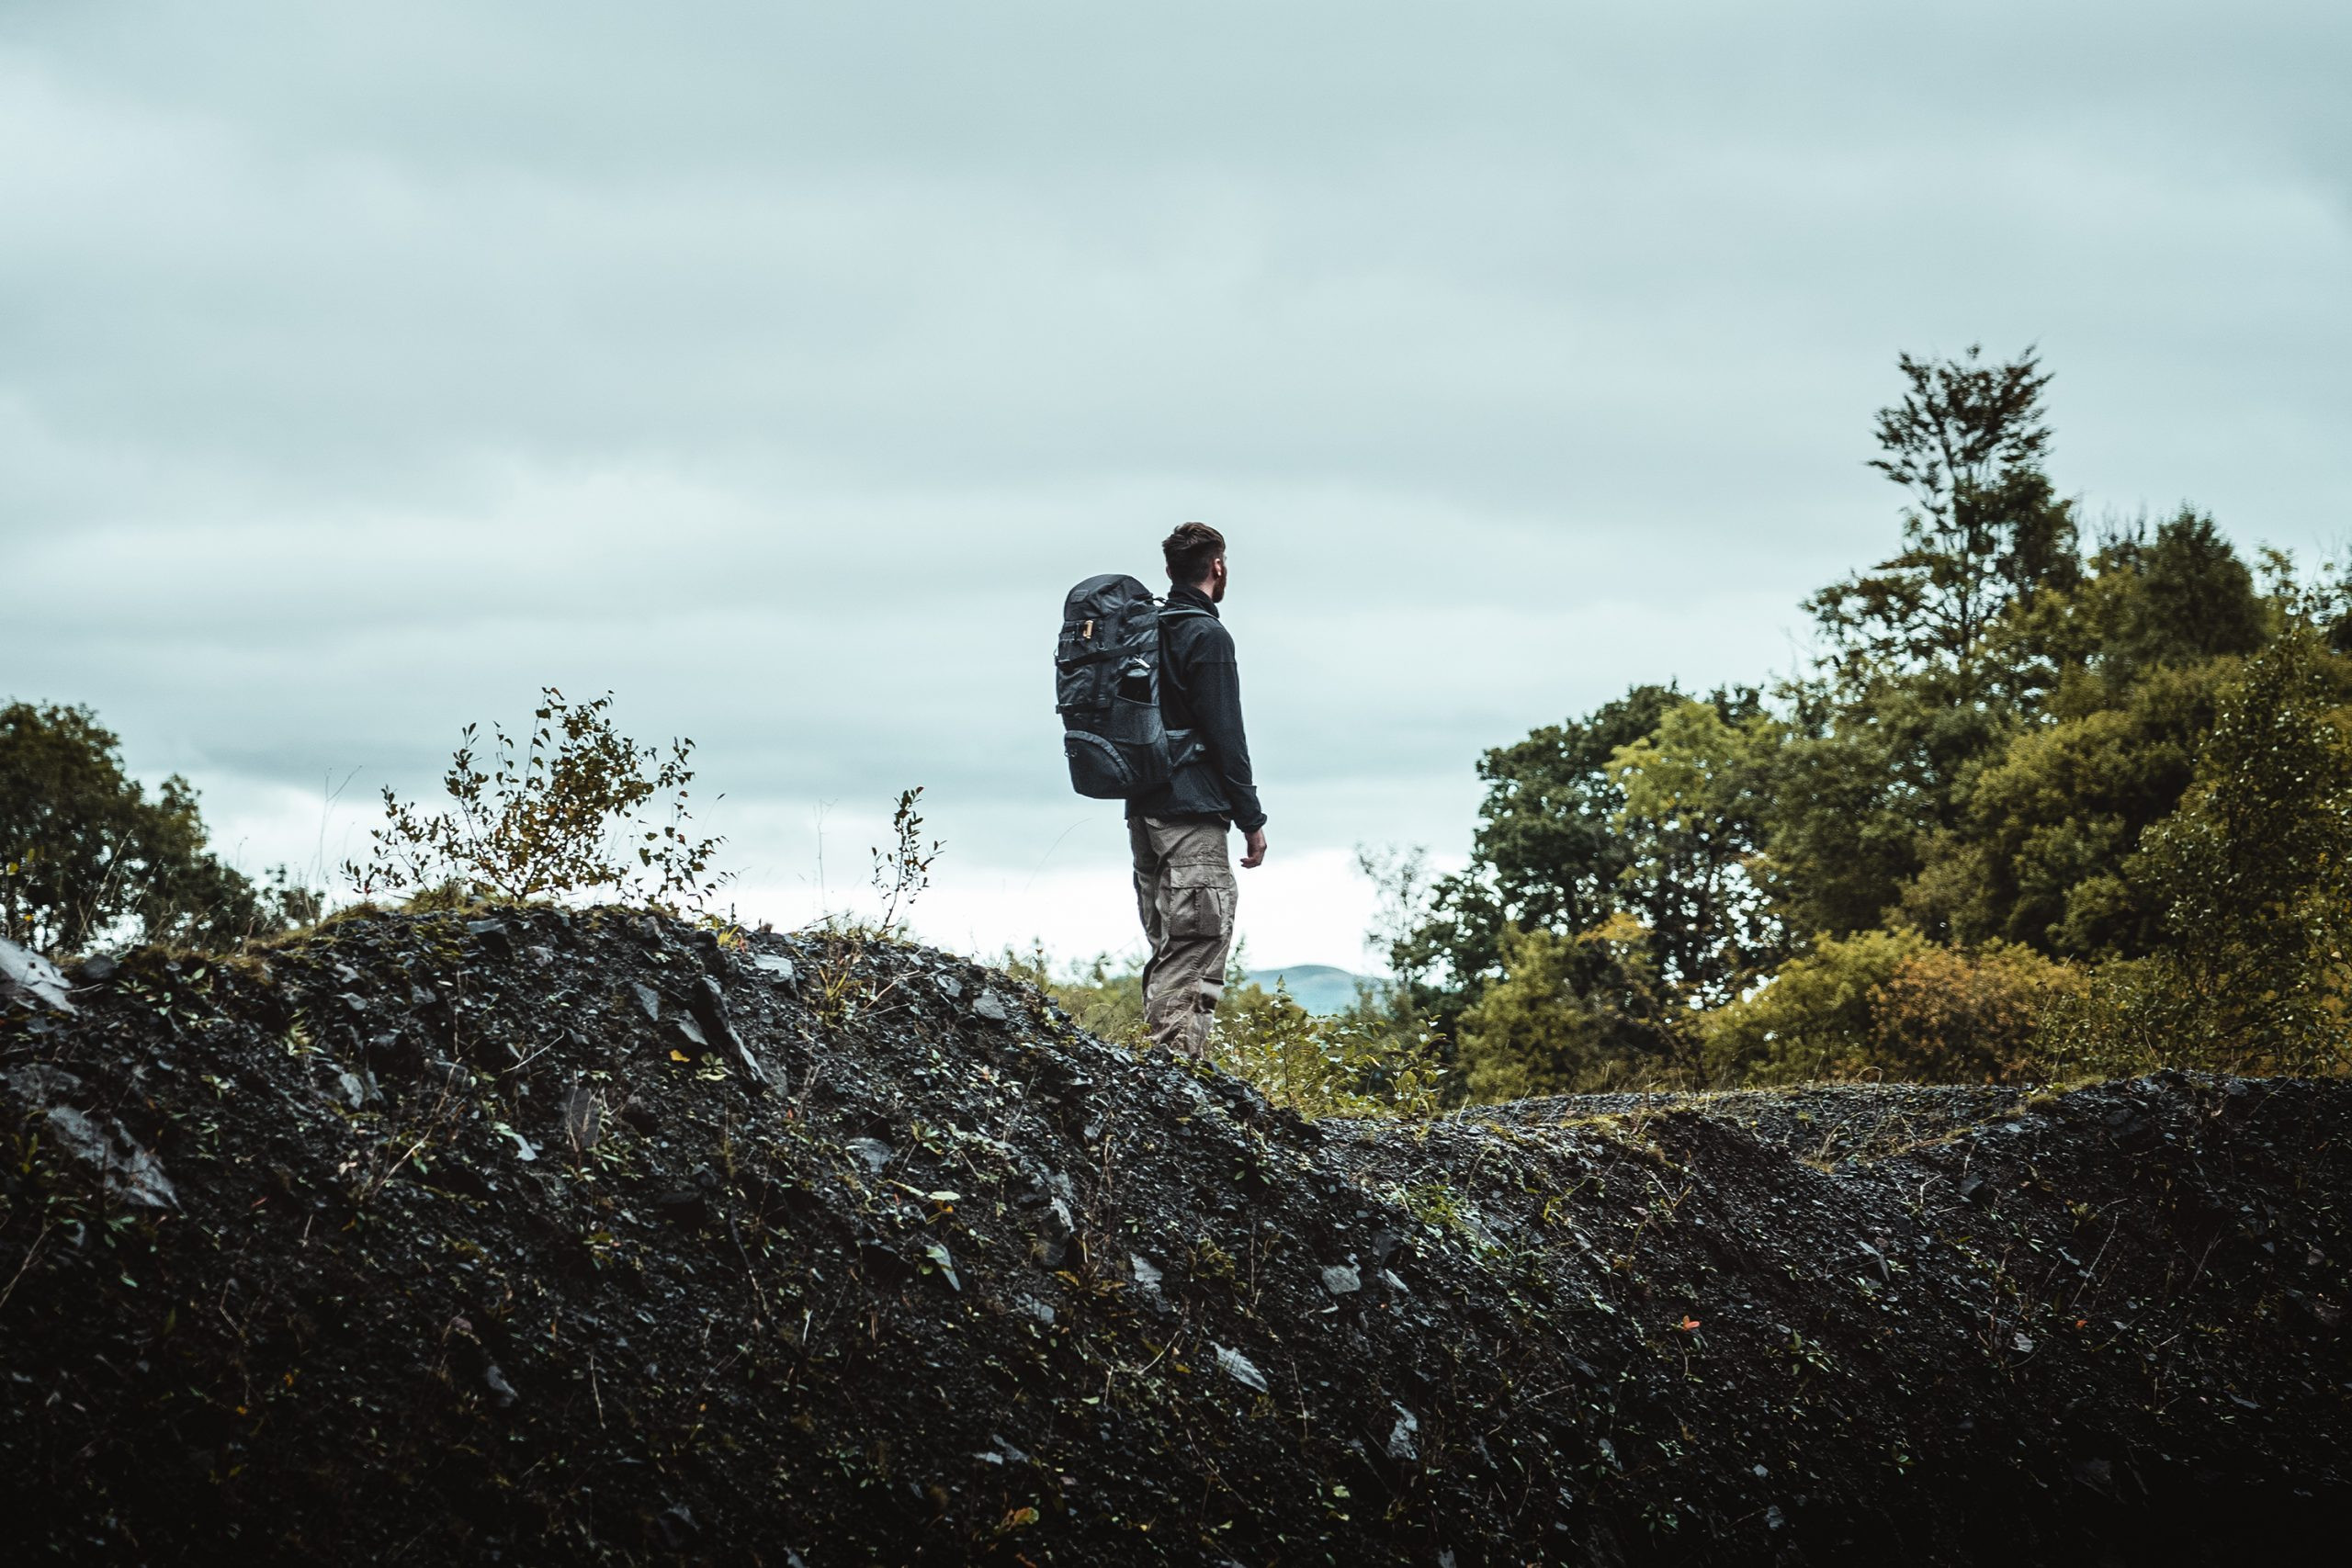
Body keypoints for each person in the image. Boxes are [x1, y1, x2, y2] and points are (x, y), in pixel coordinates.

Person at [1127, 522, 1267, 1055]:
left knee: (1172, 946)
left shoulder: (1144, 631)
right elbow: (1227, 734)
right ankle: (1172, 1078)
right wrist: (1251, 819)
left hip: (1143, 809)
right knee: (1196, 947)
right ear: (1217, 566)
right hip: (1191, 813)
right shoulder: (1206, 636)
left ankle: (1169, 1072)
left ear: (1169, 571)